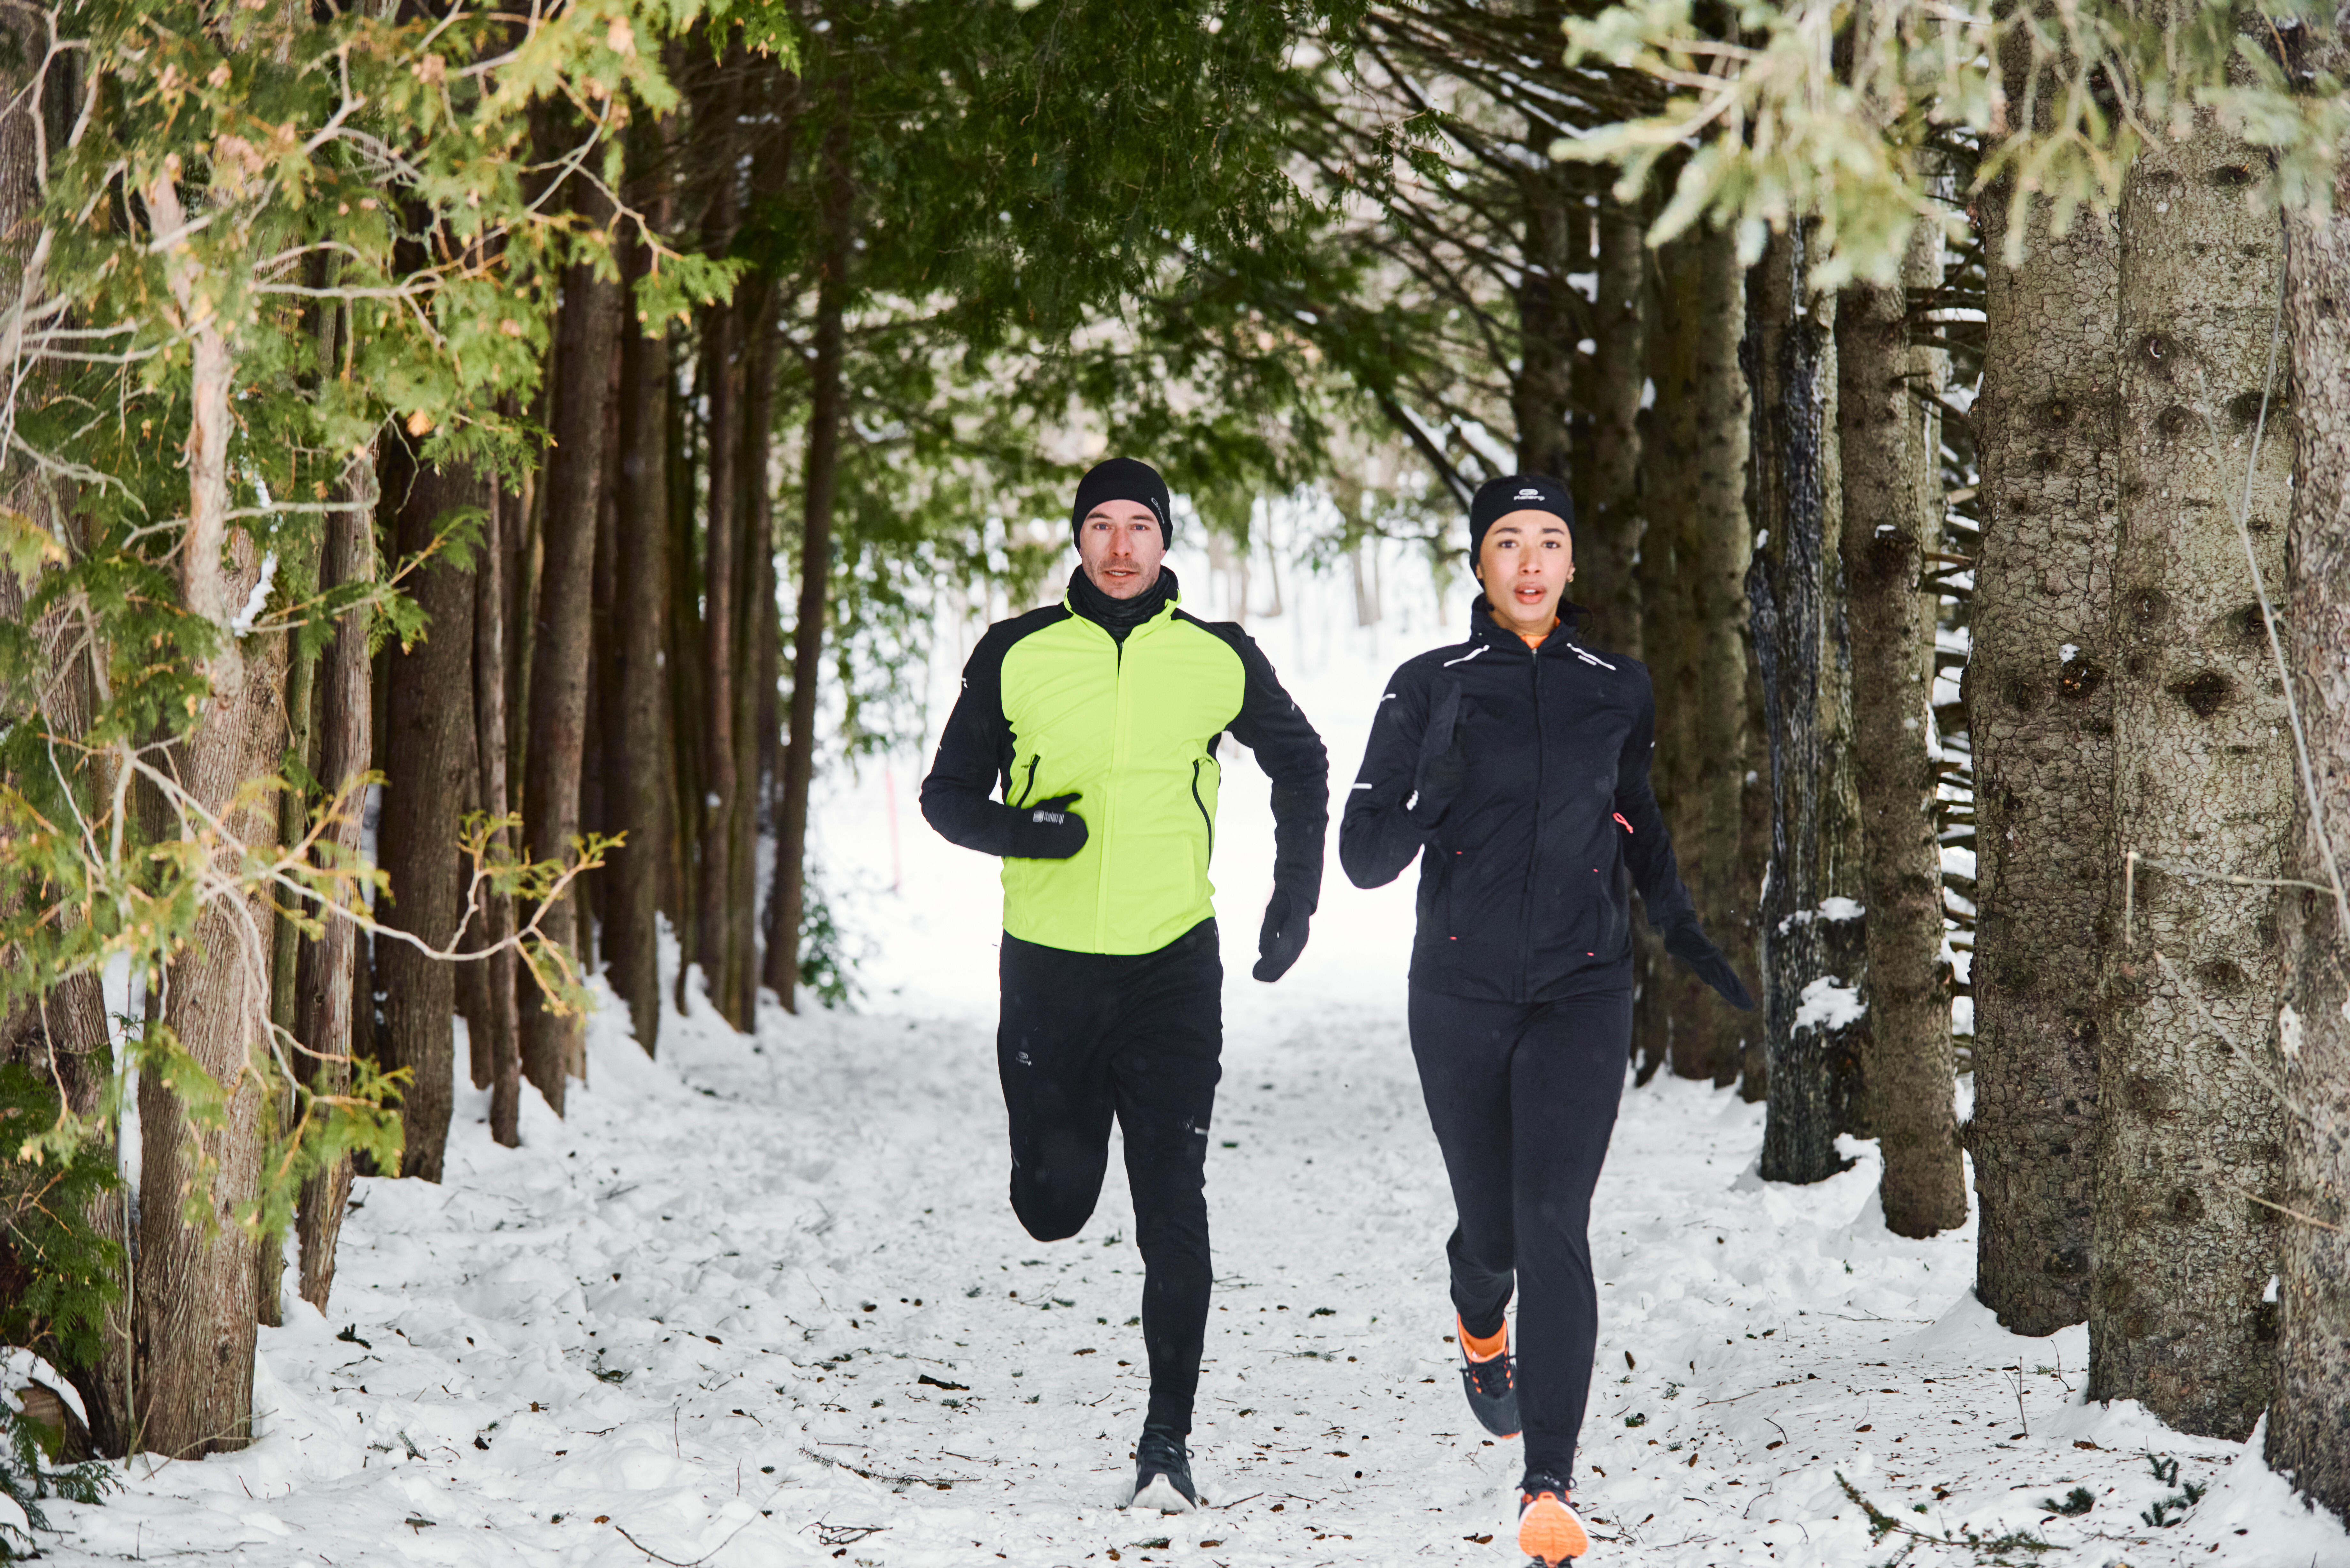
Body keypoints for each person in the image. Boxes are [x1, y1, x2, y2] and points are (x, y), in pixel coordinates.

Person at [1339, 475, 1753, 1565]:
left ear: (1574, 567)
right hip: (1461, 991)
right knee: (1494, 1232)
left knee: (1553, 1219)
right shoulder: (1425, 684)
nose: (1530, 560)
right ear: (1479, 564)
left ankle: (1548, 1488)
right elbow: (1367, 858)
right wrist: (1434, 779)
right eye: (1508, 542)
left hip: (1582, 987)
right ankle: (1481, 1314)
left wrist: (1687, 936)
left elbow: (1639, 822)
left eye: (1551, 541)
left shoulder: (1616, 685)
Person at [921, 457, 1328, 1514]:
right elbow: (946, 798)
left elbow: (1304, 763)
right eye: (1099, 524)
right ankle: (1060, 1147)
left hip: (1170, 969)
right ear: (1078, 538)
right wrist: (1030, 831)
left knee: (1173, 1204)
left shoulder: (1217, 657)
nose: (1118, 545)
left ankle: (1166, 1443)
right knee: (1055, 1208)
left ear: (1166, 541)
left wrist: (1295, 899)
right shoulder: (1016, 652)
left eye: (1138, 525)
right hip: (1050, 969)